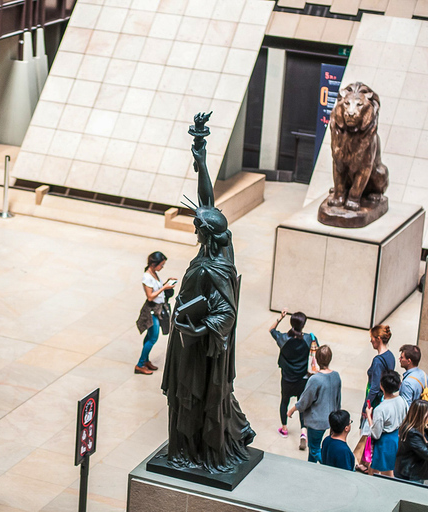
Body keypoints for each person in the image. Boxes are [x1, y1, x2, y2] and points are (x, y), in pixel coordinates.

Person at [161, 112, 255, 473]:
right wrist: (200, 152)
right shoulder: (219, 249)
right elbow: (207, 200)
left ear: (206, 234)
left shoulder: (214, 267)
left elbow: (225, 314)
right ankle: (192, 448)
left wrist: (198, 329)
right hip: (192, 338)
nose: (195, 228)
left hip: (199, 350)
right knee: (186, 399)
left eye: (197, 227)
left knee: (190, 398)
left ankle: (192, 452)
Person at [287, 345, 341, 463]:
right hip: (330, 418)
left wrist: (292, 409)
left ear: (316, 359)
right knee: (313, 449)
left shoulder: (315, 379)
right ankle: (310, 468)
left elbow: (305, 400)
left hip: (316, 421)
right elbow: (338, 399)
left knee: (315, 449)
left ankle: (328, 466)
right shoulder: (336, 376)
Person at [270, 309, 315, 450]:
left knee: (284, 401)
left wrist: (280, 317)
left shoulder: (283, 339)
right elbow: (315, 347)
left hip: (287, 379)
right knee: (302, 404)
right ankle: (303, 432)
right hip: (302, 379)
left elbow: (271, 330)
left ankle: (284, 428)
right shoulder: (308, 338)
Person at [354, 324, 396, 470]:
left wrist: (366, 406)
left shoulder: (378, 361)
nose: (370, 341)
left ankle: (366, 463)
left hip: (374, 402)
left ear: (378, 339)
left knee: (367, 433)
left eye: (372, 338)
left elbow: (374, 387)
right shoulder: (390, 356)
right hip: (382, 399)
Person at [135, 251, 176, 375]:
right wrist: (164, 288)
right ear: (154, 264)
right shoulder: (147, 277)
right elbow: (150, 296)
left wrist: (166, 283)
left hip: (158, 308)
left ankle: (146, 360)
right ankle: (140, 364)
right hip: (152, 311)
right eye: (161, 265)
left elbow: (157, 289)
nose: (162, 267)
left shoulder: (154, 274)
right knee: (153, 337)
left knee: (149, 336)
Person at [366, 370, 408, 477]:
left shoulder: (380, 409)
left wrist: (369, 417)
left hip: (384, 442)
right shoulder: (402, 400)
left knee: (379, 470)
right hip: (396, 437)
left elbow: (376, 433)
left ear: (381, 386)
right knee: (389, 468)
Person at [394, 400, 428, 482]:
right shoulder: (412, 433)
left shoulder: (418, 428)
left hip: (413, 473)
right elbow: (426, 453)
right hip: (409, 475)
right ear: (422, 415)